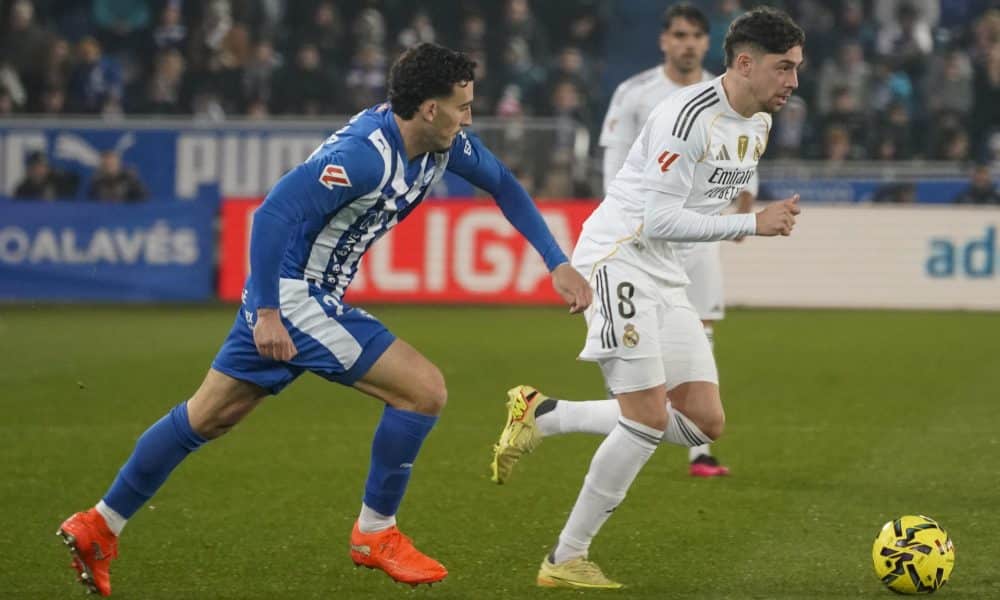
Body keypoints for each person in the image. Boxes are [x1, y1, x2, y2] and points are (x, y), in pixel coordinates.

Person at [56, 43, 592, 597]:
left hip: (301, 296)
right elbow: (272, 213)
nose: (469, 118)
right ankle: (375, 533)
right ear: (429, 109)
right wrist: (267, 312)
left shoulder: (439, 146)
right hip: (293, 297)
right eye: (462, 107)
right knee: (423, 390)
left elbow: (503, 184)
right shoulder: (365, 156)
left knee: (208, 416)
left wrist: (557, 263)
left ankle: (99, 525)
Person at [492, 7, 804, 588]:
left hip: (665, 271)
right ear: (744, 62)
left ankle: (543, 414)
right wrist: (749, 226)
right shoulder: (686, 117)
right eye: (784, 68)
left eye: (796, 69)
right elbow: (659, 217)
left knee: (703, 421)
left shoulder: (758, 124)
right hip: (618, 258)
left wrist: (750, 217)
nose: (793, 82)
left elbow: (710, 206)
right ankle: (564, 560)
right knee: (643, 421)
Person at [595, 2, 758, 477]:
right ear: (665, 40)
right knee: (636, 335)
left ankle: (699, 452)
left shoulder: (726, 92)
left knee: (702, 329)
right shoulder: (635, 93)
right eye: (679, 35)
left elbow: (743, 152)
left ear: (707, 44)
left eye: (695, 36)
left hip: (699, 234)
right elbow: (616, 161)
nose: (687, 44)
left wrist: (745, 204)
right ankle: (633, 422)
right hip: (645, 236)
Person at [13, 150, 79, 200]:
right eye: (36, 166)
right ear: (29, 169)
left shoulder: (58, 181)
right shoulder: (23, 188)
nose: (40, 170)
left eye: (43, 166)